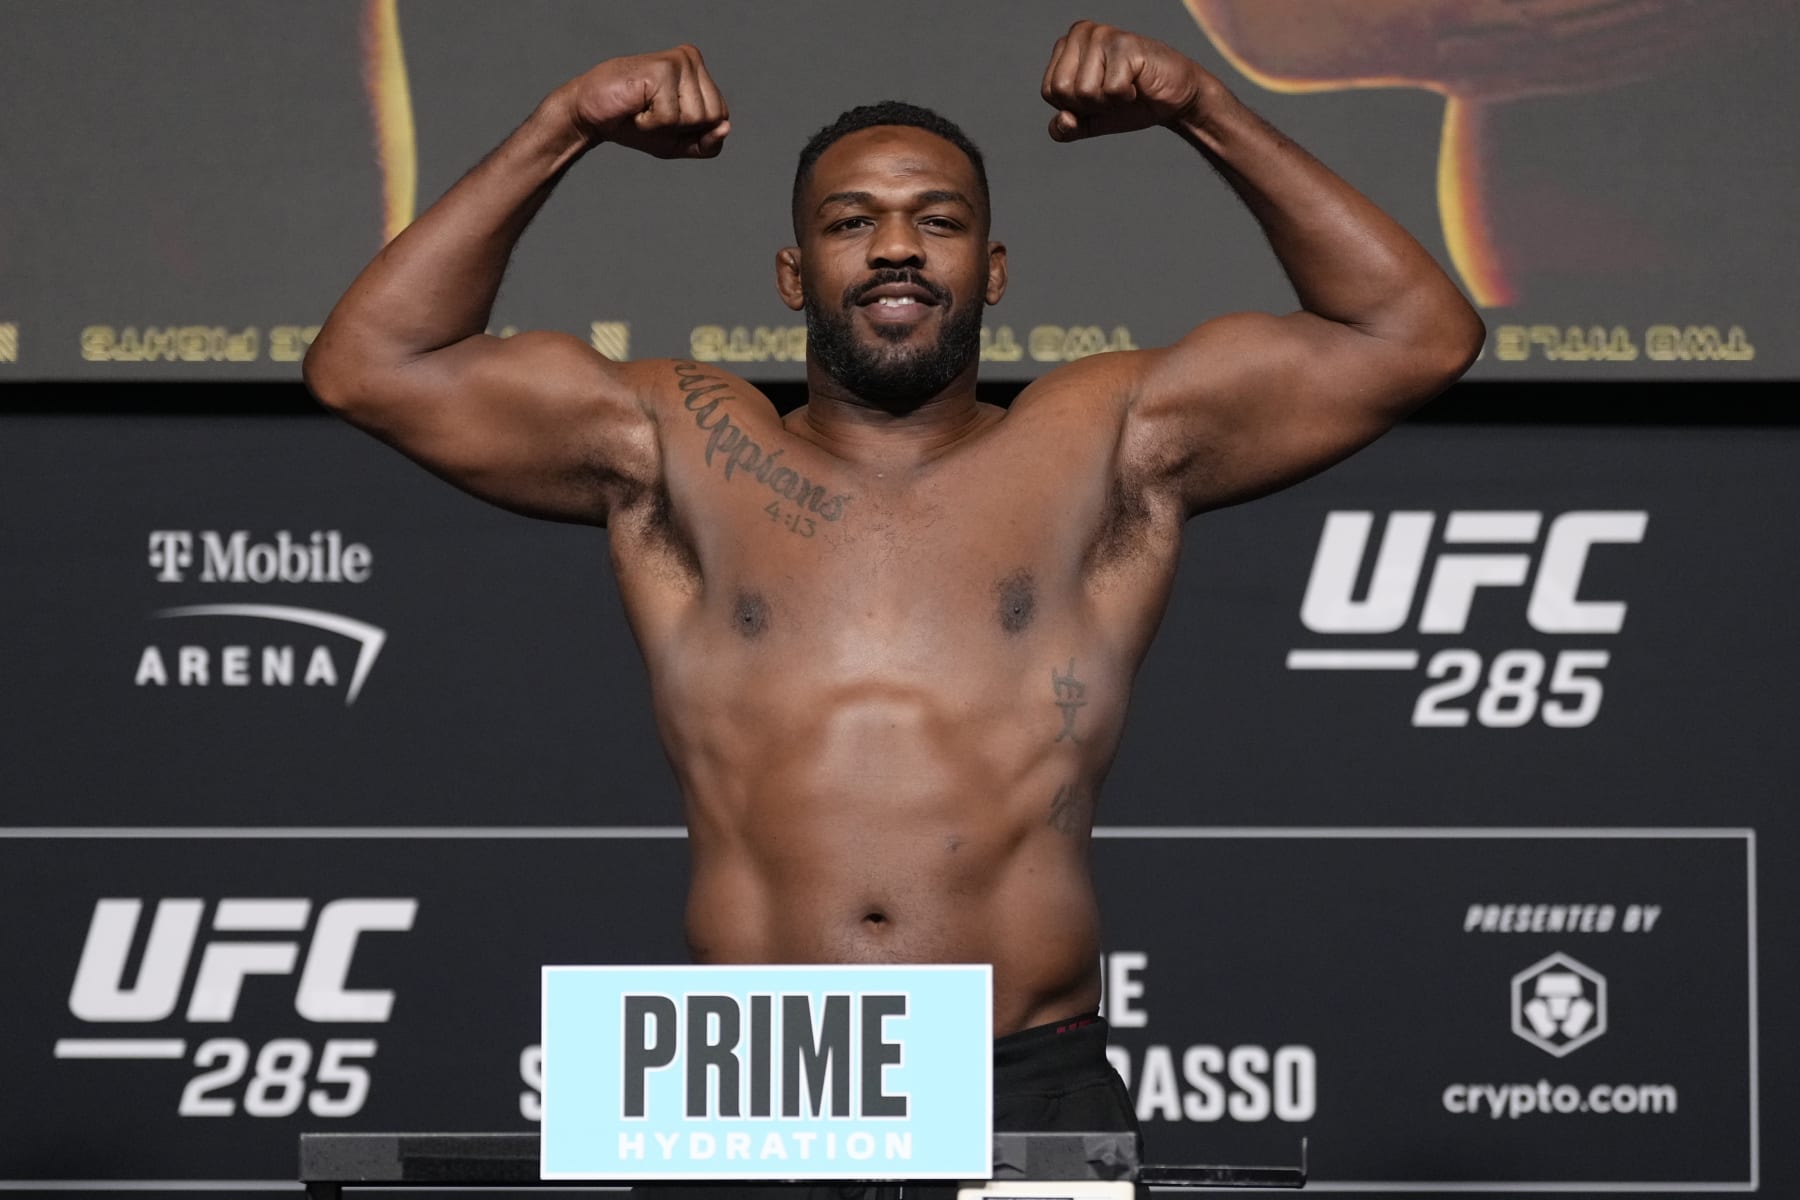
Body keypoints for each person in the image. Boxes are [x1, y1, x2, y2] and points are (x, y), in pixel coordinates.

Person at [304, 18, 1482, 1187]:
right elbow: (371, 366)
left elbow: (1415, 334)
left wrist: (1200, 107)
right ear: (792, 274)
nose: (896, 248)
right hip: (754, 1068)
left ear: (996, 270)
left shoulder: (1108, 441)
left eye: (940, 220)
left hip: (1025, 1066)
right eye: (851, 222)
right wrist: (563, 127)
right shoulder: (675, 440)